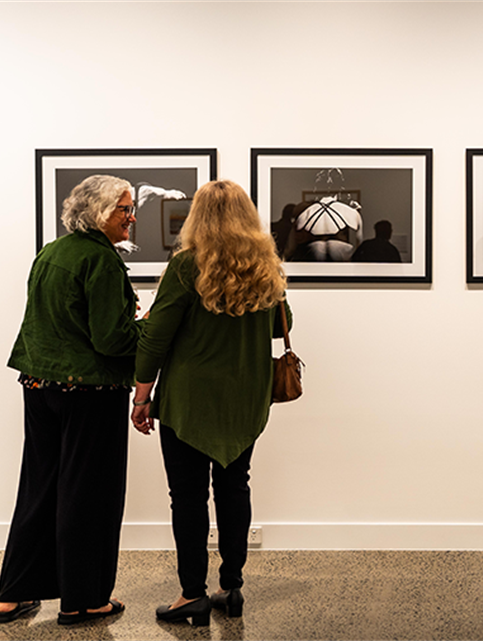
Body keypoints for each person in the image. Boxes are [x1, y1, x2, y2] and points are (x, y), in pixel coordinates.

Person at [131, 180, 290, 626]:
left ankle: (191, 596)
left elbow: (155, 338)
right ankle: (231, 587)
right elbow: (283, 326)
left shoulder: (186, 267)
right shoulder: (267, 267)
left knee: (187, 497)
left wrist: (142, 396)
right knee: (235, 488)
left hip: (189, 402)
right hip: (244, 399)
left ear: (197, 217)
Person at [0, 175, 143, 625]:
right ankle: (83, 599)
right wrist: (147, 327)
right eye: (124, 209)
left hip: (40, 385)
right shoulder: (101, 261)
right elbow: (111, 340)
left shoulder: (52, 252)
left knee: (39, 488)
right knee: (89, 494)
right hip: (90, 393)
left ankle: (13, 595)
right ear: (99, 213)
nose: (131, 217)